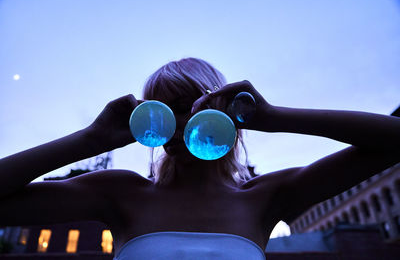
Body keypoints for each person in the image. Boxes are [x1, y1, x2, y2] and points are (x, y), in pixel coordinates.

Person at [0, 57, 399, 260]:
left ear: (220, 114)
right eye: (158, 111)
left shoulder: (267, 195)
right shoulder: (120, 193)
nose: (175, 123)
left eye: (187, 106)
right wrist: (91, 138)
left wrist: (274, 117)